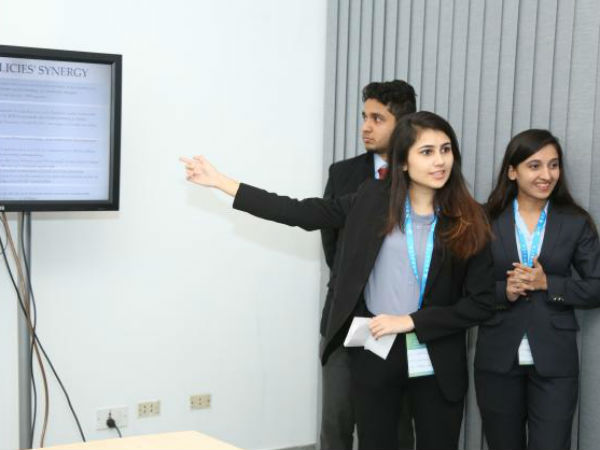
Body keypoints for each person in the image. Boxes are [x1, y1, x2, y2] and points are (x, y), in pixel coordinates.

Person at [180, 111, 496, 450]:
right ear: (403, 162)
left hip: (437, 355)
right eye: (427, 152)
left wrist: (412, 321)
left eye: (445, 150)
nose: (440, 161)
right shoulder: (372, 198)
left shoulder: (470, 217)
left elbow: (482, 303)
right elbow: (301, 212)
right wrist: (222, 182)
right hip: (377, 347)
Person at [474, 129, 600, 450]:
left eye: (553, 165)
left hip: (555, 362)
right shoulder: (484, 219)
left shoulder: (575, 222)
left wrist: (549, 284)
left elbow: (596, 286)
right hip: (497, 358)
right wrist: (504, 291)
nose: (547, 175)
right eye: (535, 166)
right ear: (512, 172)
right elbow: (464, 288)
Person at [321, 80, 416, 450]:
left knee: (395, 424)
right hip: (346, 316)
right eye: (364, 117)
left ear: (402, 125)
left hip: (397, 320)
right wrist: (354, 285)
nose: (365, 127)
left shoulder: (420, 175)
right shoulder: (342, 174)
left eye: (378, 118)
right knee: (337, 418)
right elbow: (331, 241)